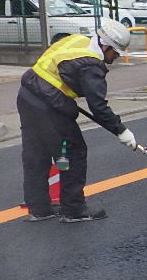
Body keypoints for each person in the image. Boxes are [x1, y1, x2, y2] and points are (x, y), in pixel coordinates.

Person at [17, 19, 136, 223]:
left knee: (37, 153)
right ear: (106, 46)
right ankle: (73, 209)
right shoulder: (90, 64)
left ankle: (38, 208)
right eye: (115, 53)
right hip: (50, 107)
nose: (115, 58)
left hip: (27, 96)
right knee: (72, 153)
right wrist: (121, 130)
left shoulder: (77, 41)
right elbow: (98, 106)